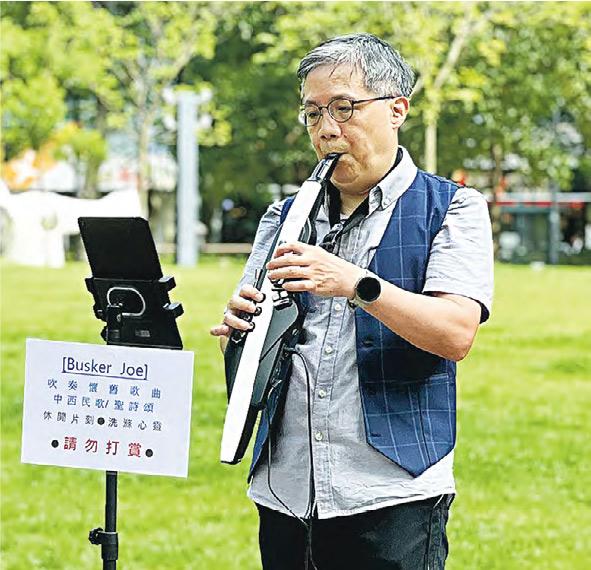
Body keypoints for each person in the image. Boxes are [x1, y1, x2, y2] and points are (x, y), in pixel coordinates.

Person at [210, 33, 493, 570]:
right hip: (286, 488)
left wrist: (357, 284)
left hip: (391, 491)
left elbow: (456, 333)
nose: (326, 130)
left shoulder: (453, 207)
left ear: (396, 110)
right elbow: (251, 350)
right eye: (313, 113)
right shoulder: (283, 217)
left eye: (344, 108)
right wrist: (241, 331)